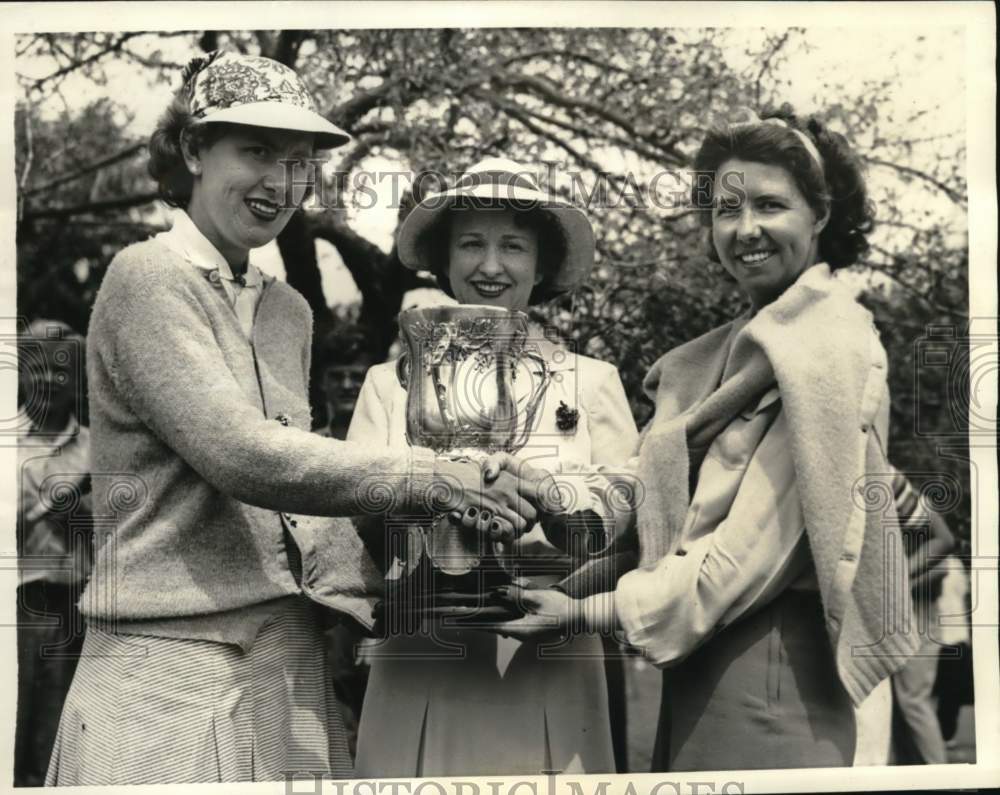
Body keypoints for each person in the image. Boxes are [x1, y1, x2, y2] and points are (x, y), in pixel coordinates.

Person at [45, 52, 538, 786]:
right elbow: (243, 455)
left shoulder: (287, 308)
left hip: (288, 658)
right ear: (192, 149)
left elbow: (298, 493)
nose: (279, 182)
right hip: (167, 665)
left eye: (299, 160)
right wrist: (434, 476)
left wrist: (381, 589)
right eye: (256, 151)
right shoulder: (145, 278)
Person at [492, 106, 920, 770]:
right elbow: (658, 519)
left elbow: (736, 567)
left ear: (821, 212)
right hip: (705, 671)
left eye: (771, 204)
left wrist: (575, 612)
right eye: (726, 209)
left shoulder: (827, 348)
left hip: (773, 686)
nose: (745, 229)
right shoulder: (742, 349)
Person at [350, 158, 639, 776]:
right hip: (421, 661)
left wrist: (563, 590)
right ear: (444, 259)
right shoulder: (388, 384)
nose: (490, 266)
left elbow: (636, 538)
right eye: (471, 244)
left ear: (542, 263)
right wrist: (418, 508)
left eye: (512, 245)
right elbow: (351, 528)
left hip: (550, 663)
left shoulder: (592, 383)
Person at [14, 319, 91, 787]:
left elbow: (115, 529)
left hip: (77, 606)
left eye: (62, 372)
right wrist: (46, 505)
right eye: (38, 368)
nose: (48, 380)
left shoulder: (96, 448)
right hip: (16, 605)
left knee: (61, 733)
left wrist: (77, 508)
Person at [889, 466, 956, 764]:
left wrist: (898, 581)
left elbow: (941, 565)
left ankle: (941, 776)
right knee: (900, 705)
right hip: (902, 614)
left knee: (913, 700)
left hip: (919, 615)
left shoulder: (915, 509)